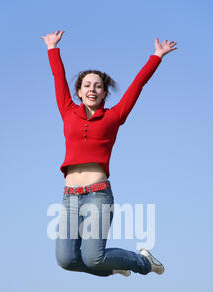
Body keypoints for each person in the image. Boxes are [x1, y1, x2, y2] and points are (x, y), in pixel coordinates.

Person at [41, 30, 177, 277]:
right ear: (79, 92)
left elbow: (138, 85)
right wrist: (52, 48)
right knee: (66, 260)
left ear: (104, 92)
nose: (92, 89)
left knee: (93, 258)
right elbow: (57, 77)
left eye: (98, 86)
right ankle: (113, 265)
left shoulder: (114, 117)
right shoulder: (67, 110)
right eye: (86, 86)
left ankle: (142, 261)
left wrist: (156, 56)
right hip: (69, 197)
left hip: (97, 195)